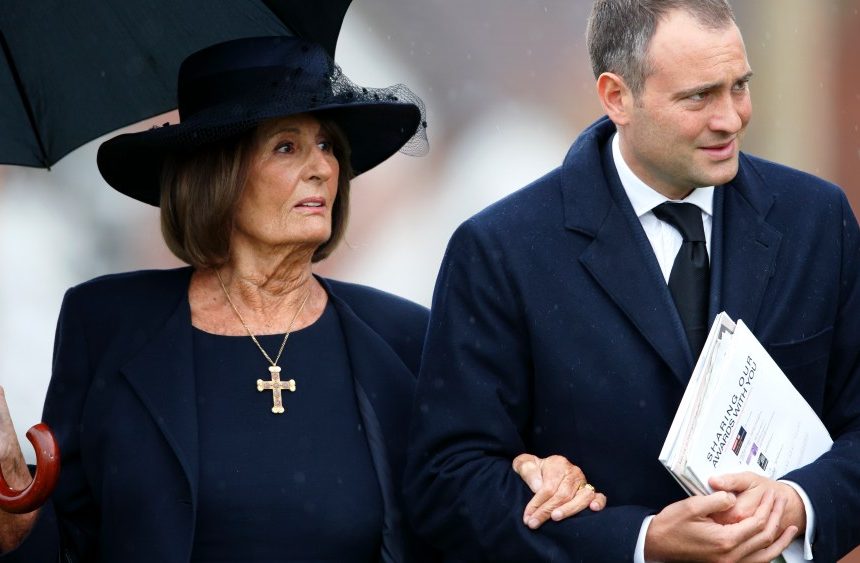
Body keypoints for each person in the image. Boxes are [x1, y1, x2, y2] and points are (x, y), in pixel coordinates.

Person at [0, 36, 601, 563]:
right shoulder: (106, 322)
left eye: (328, 146)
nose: (323, 168)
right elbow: (69, 542)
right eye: (287, 147)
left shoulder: (405, 338)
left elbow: (466, 506)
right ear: (217, 173)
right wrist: (16, 510)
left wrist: (533, 475)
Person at [404, 1, 860, 561]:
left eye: (739, 86)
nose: (732, 118)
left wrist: (798, 504)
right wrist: (642, 542)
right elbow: (448, 485)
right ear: (616, 97)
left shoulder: (818, 220)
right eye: (699, 96)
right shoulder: (502, 250)